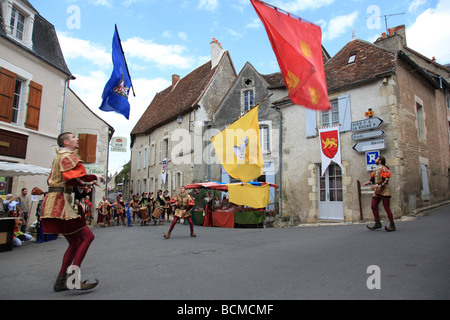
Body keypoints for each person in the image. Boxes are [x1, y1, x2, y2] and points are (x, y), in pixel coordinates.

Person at [40, 132, 104, 292]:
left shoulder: (60, 157)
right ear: (66, 142)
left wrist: (81, 184)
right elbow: (72, 175)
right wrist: (93, 176)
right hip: (60, 204)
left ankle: (61, 281)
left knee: (75, 242)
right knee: (88, 237)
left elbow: (62, 179)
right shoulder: (67, 156)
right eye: (74, 137)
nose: (77, 139)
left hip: (56, 202)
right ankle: (72, 279)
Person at [364, 156, 396, 232]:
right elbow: (373, 178)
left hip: (384, 190)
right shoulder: (376, 169)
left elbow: (386, 180)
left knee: (387, 208)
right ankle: (377, 223)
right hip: (378, 190)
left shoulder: (384, 169)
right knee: (373, 206)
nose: (375, 160)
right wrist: (369, 182)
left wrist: (377, 185)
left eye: (377, 159)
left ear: (380, 161)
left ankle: (392, 225)